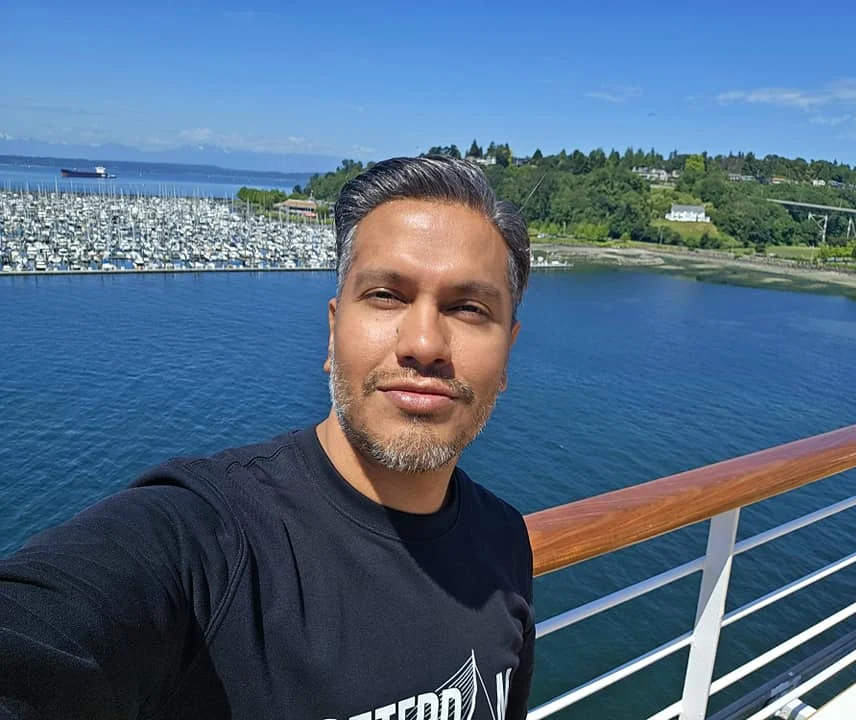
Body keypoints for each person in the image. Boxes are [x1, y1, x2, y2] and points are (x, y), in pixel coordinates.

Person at [0, 156, 535, 720]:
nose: (424, 342)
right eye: (385, 295)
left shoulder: (504, 541)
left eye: (469, 308)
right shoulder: (208, 542)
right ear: (333, 331)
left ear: (507, 355)